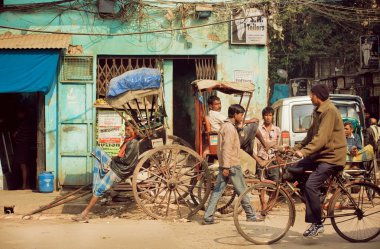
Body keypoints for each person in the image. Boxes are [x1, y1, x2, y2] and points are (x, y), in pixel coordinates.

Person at [292, 84, 346, 237]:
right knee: (293, 169)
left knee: (310, 185)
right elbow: (310, 135)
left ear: (318, 96)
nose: (310, 97)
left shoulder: (329, 111)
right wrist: (296, 147)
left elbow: (321, 138)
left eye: (311, 94)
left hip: (331, 157)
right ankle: (315, 197)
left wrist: (303, 152)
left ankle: (317, 223)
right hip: (321, 155)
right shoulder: (318, 111)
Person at [203, 104, 264, 225]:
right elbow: (226, 149)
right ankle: (251, 215)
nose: (242, 117)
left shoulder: (226, 126)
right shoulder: (230, 129)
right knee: (242, 190)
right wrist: (226, 167)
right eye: (241, 115)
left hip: (226, 164)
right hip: (232, 165)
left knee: (217, 192)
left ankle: (208, 217)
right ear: (235, 115)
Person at [72, 123, 139, 222]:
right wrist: (114, 159)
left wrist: (114, 158)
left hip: (119, 171)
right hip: (117, 166)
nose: (126, 132)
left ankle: (84, 214)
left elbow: (126, 160)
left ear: (134, 131)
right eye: (126, 130)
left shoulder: (133, 143)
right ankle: (99, 179)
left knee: (99, 190)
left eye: (129, 130)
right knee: (97, 150)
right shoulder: (128, 141)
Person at [207, 95, 271, 166]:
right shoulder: (215, 114)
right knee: (254, 126)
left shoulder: (213, 114)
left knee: (247, 143)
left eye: (220, 104)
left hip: (226, 136)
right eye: (216, 104)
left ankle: (259, 161)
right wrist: (250, 120)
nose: (219, 106)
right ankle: (265, 145)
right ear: (210, 106)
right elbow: (230, 121)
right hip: (227, 138)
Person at [257, 107, 281, 181]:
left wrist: (271, 145)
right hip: (261, 160)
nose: (268, 118)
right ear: (263, 116)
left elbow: (279, 145)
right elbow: (256, 145)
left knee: (275, 183)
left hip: (273, 160)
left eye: (270, 115)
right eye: (266, 115)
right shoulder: (258, 129)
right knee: (262, 185)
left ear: (272, 116)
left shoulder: (277, 130)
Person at [13, 108, 35, 190]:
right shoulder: (26, 123)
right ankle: (26, 184)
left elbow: (14, 135)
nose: (18, 115)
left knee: (23, 166)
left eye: (19, 113)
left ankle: (24, 185)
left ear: (23, 114)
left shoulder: (23, 123)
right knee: (25, 166)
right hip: (25, 146)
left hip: (22, 146)